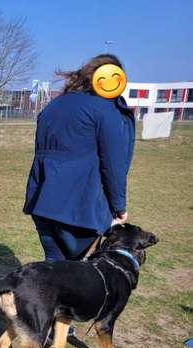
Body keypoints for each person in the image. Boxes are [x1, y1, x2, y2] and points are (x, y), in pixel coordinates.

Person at [23, 54, 135, 262]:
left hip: (42, 202)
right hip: (80, 208)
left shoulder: (54, 105)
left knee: (55, 272)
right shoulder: (105, 109)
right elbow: (113, 166)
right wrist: (120, 208)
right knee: (78, 277)